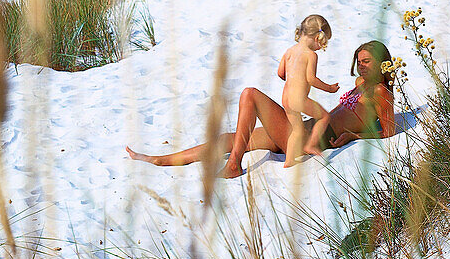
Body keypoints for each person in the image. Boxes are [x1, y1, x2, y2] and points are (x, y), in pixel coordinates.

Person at [126, 40, 396, 177]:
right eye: (359, 61)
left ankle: (234, 165)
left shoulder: (381, 92)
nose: (361, 67)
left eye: (368, 62)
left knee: (250, 95)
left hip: (304, 139)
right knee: (228, 139)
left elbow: (389, 130)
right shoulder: (361, 83)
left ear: (382, 63)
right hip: (300, 128)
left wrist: (354, 136)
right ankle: (160, 159)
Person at [280, 14, 338, 168]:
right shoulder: (311, 55)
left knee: (297, 130)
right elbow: (311, 79)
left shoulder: (289, 51)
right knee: (324, 117)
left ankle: (289, 161)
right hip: (298, 99)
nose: (321, 48)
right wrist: (329, 88)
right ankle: (311, 145)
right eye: (323, 44)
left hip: (285, 98)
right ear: (318, 38)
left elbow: (280, 73)